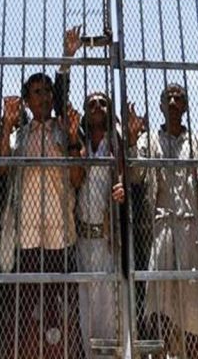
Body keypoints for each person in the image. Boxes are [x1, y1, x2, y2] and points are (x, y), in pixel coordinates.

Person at [0, 72, 86, 359]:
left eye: (48, 91)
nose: (44, 97)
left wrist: (73, 137)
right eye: (37, 92)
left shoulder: (65, 130)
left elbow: (77, 178)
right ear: (26, 100)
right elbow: (2, 169)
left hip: (62, 235)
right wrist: (7, 126)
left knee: (63, 314)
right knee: (25, 315)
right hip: (27, 237)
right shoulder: (20, 135)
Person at [127, 84, 198, 358]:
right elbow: (135, 175)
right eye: (169, 98)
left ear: (186, 106)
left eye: (179, 98)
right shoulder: (150, 140)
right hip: (162, 226)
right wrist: (131, 140)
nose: (174, 102)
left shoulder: (195, 143)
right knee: (159, 298)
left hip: (191, 227)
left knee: (193, 304)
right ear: (160, 105)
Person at [76, 92, 125, 357]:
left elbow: (124, 178)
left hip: (107, 236)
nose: (97, 107)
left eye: (102, 103)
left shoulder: (116, 143)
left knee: (111, 304)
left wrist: (121, 189)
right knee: (86, 306)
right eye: (91, 104)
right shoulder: (79, 142)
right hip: (82, 236)